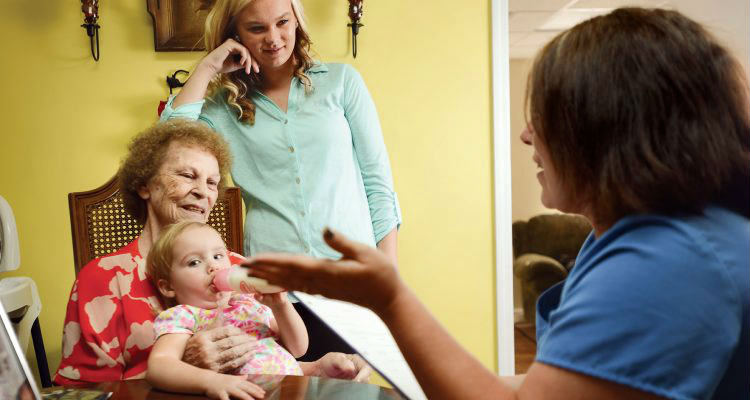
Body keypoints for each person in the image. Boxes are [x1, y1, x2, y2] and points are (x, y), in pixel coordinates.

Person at [243, 8, 750, 400]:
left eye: (545, 117)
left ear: (607, 131)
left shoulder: (670, 261)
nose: (528, 135)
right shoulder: (632, 236)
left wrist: (390, 299)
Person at [54, 119, 371, 387]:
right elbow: (85, 393)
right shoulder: (103, 279)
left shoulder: (239, 268)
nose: (203, 191)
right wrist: (189, 366)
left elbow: (264, 362)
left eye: (212, 182)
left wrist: (317, 369)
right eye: (187, 175)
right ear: (144, 185)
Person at [159, 0, 401, 264]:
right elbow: (168, 148)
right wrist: (207, 69)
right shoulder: (222, 109)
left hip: (354, 272)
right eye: (256, 28)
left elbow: (377, 184)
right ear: (235, 34)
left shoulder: (341, 82)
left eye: (282, 22)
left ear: (296, 19)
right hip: (276, 282)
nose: (273, 38)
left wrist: (387, 277)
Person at [146, 221, 307, 399]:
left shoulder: (250, 303)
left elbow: (298, 348)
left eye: (218, 256)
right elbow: (159, 366)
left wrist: (281, 306)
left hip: (292, 391)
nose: (213, 267)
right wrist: (210, 381)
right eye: (194, 262)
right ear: (168, 286)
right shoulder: (184, 315)